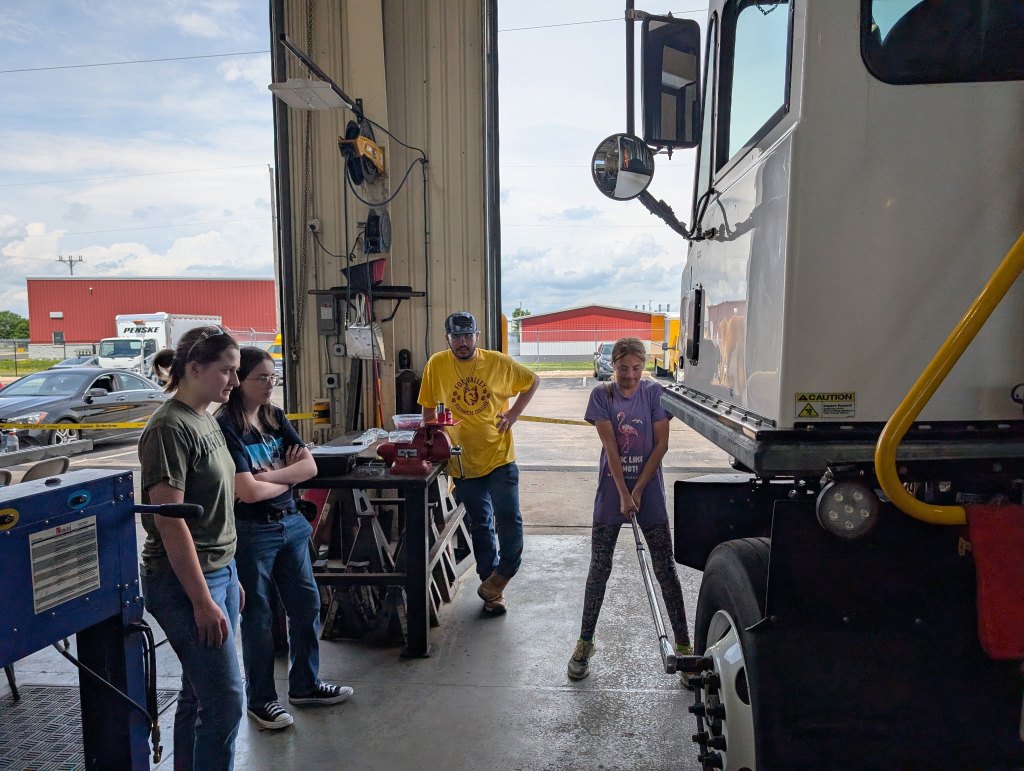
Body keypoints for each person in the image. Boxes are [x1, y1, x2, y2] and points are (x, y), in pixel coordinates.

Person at [216, 347, 353, 730]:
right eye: (261, 378)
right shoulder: (225, 427)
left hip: (291, 523)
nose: (269, 384)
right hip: (252, 531)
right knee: (258, 617)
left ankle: (305, 684)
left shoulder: (275, 417)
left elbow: (309, 467)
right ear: (239, 380)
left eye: (272, 377)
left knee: (307, 605)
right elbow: (246, 492)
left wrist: (268, 477)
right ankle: (261, 701)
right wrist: (283, 475)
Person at [138, 325, 245, 769]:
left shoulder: (205, 419)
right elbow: (171, 521)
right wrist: (202, 599)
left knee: (198, 693)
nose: (235, 381)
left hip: (218, 571)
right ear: (195, 369)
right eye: (227, 370)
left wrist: (230, 575)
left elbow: (216, 507)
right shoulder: (169, 428)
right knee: (225, 702)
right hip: (184, 581)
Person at [567, 337, 692, 682]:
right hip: (612, 492)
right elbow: (611, 447)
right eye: (623, 368)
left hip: (649, 491)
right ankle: (585, 642)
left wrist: (638, 489)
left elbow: (661, 444)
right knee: (599, 567)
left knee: (665, 568)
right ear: (614, 366)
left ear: (644, 366)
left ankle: (684, 647)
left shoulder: (654, 393)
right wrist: (624, 493)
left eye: (636, 368)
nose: (630, 375)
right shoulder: (602, 396)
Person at [417, 311, 539, 614]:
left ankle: (505, 572)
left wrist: (513, 414)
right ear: (447, 338)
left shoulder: (497, 362)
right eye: (456, 336)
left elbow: (532, 381)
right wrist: (429, 439)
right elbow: (428, 409)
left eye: (468, 335)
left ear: (477, 336)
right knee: (481, 524)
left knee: (509, 517)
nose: (463, 342)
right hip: (462, 462)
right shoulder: (436, 364)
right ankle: (491, 588)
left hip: (499, 456)